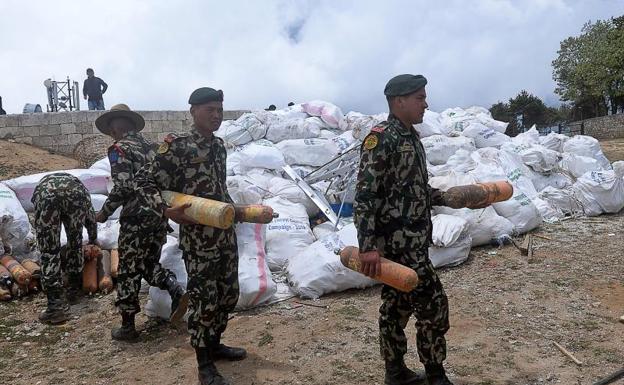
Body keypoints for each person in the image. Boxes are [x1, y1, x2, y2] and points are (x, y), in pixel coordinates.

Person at [135, 87, 245, 385]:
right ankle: (204, 362)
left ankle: (215, 344)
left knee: (228, 294)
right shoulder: (177, 147)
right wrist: (165, 210)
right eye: (210, 109)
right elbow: (145, 182)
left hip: (223, 233)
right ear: (193, 111)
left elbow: (218, 189)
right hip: (199, 240)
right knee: (204, 299)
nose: (217, 115)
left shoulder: (219, 147)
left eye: (220, 110)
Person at [353, 74, 453, 385]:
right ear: (399, 102)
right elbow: (366, 195)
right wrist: (368, 245)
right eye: (420, 98)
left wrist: (439, 195)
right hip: (398, 245)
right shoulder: (381, 138)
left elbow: (409, 187)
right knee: (434, 306)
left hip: (415, 241)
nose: (426, 103)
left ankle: (395, 372)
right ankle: (435, 374)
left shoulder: (412, 138)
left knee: (395, 309)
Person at [94, 103, 188, 341]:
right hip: (159, 214)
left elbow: (124, 186)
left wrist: (104, 212)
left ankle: (128, 326)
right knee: (147, 263)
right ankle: (175, 289)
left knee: (128, 269)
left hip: (137, 217)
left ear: (116, 127)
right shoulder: (153, 148)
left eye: (111, 130)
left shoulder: (118, 148)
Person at [32, 172, 98, 324]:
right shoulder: (80, 187)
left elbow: (38, 216)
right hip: (75, 196)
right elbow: (90, 217)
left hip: (46, 197)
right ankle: (74, 290)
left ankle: (55, 306)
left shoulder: (42, 187)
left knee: (49, 252)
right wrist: (93, 238)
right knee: (75, 243)